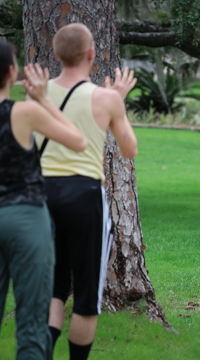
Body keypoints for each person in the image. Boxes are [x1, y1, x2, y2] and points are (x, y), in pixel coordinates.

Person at [40, 23, 138, 359]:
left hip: (43, 196)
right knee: (85, 296)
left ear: (55, 55)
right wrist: (117, 102)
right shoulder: (106, 98)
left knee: (53, 288)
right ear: (91, 54)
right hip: (84, 195)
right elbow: (129, 149)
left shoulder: (38, 93)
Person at [0, 41, 87, 360]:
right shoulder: (23, 112)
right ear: (12, 73)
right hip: (25, 219)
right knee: (33, 324)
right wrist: (43, 100)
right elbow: (77, 140)